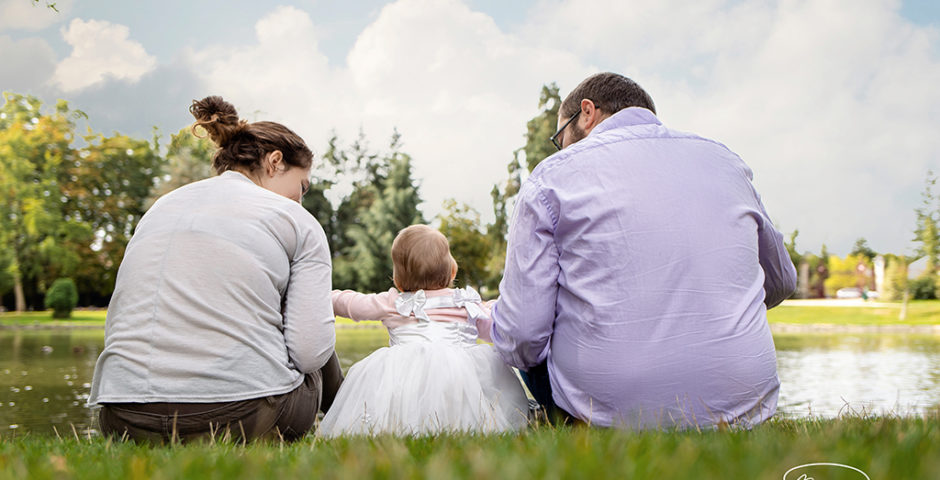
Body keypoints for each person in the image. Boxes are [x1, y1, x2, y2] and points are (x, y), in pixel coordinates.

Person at [491, 73, 797, 429]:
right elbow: (781, 281)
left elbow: (522, 338)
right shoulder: (726, 161)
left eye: (560, 138)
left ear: (587, 113)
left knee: (528, 335)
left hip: (608, 411)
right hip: (744, 403)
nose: (561, 148)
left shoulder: (553, 176)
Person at [87, 96, 343, 443]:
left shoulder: (162, 207)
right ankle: (347, 418)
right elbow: (310, 351)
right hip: (238, 417)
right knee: (312, 319)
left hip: (124, 418)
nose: (301, 200)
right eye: (302, 186)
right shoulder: (297, 220)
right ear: (275, 162)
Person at [320, 225, 529, 436]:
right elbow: (496, 329)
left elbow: (352, 303)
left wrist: (318, 294)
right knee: (469, 395)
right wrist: (496, 306)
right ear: (452, 272)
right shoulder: (466, 303)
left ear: (398, 281)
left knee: (398, 396)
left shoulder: (394, 303)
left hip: (405, 375)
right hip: (461, 376)